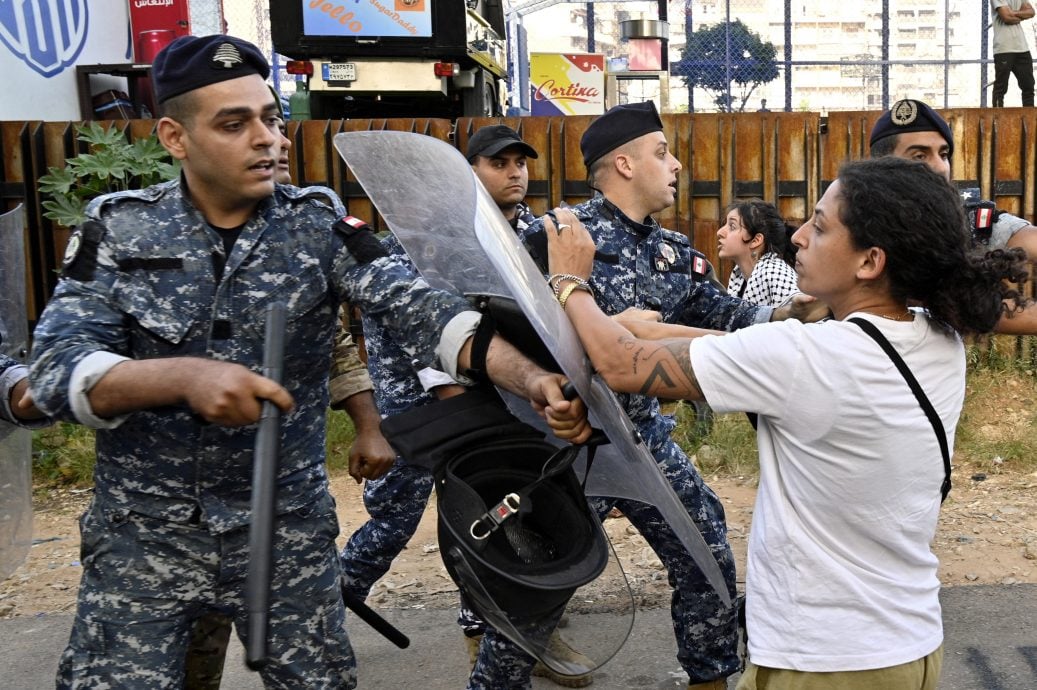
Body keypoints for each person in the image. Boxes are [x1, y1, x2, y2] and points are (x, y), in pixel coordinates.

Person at [28, 35, 588, 689]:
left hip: (284, 532)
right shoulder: (117, 229)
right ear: (174, 138)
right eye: (234, 124)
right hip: (144, 540)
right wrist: (180, 376)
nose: (266, 138)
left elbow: (426, 313)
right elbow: (56, 366)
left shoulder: (316, 226)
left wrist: (530, 377)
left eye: (270, 118)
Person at [545, 156, 1027, 690]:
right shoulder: (937, 338)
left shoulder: (803, 358)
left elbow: (620, 364)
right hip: (908, 646)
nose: (797, 235)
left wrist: (570, 281)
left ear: (869, 262)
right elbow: (734, 351)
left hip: (822, 662)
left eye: (819, 227)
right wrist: (627, 329)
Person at [465, 101, 827, 690]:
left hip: (638, 440)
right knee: (548, 585)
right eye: (663, 153)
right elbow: (497, 331)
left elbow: (731, 318)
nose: (677, 164)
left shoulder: (675, 251)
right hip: (563, 446)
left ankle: (711, 677)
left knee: (705, 550)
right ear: (625, 164)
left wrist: (789, 312)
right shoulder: (557, 237)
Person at [338, 124, 594, 688]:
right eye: (499, 163)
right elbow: (422, 326)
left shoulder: (524, 237)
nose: (515, 172)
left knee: (486, 516)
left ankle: (494, 631)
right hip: (417, 411)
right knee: (393, 522)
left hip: (488, 400)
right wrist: (450, 397)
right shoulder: (428, 239)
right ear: (468, 173)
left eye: (519, 162)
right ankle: (326, 603)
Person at [180, 125, 397, 690]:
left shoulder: (306, 237)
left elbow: (338, 351)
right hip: (182, 517)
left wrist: (369, 428)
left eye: (275, 129)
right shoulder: (160, 240)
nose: (270, 145)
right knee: (186, 665)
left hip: (284, 503)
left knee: (311, 670)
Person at [869, 98, 1037, 333]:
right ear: (883, 165)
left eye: (944, 154)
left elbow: (1027, 241)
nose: (940, 167)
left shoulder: (968, 220)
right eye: (920, 155)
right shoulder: (851, 224)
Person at [716, 199, 799, 307]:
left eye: (732, 226)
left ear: (755, 241)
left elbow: (802, 314)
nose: (720, 232)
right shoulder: (739, 276)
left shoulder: (773, 271)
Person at [990, 0, 1035, 107]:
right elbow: (1007, 18)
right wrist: (1021, 15)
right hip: (1004, 48)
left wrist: (1013, 13)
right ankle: (997, 119)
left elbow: (1032, 12)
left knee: (1028, 86)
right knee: (1001, 88)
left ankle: (1029, 119)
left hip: (1022, 47)